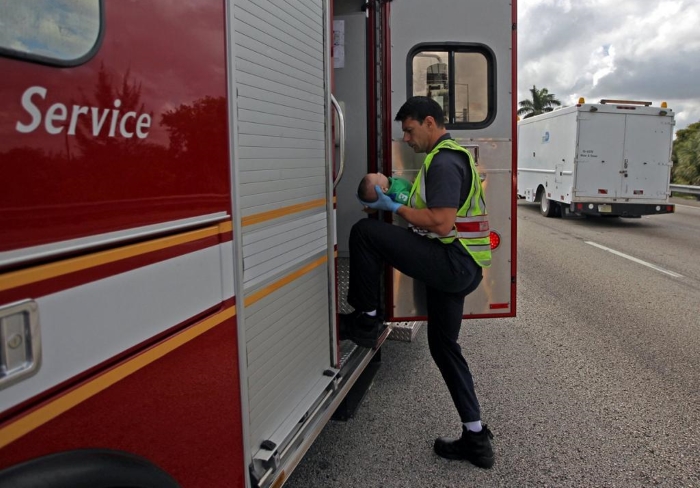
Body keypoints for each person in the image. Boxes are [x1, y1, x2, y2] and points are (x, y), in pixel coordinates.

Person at [341, 96, 494, 469]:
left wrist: (394, 209)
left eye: (409, 131)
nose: (406, 139)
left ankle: (366, 318)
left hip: (453, 263)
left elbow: (440, 222)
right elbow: (435, 212)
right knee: (444, 348)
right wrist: (395, 197)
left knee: (365, 233)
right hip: (461, 265)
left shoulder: (444, 161)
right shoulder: (447, 158)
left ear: (429, 122)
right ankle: (476, 438)